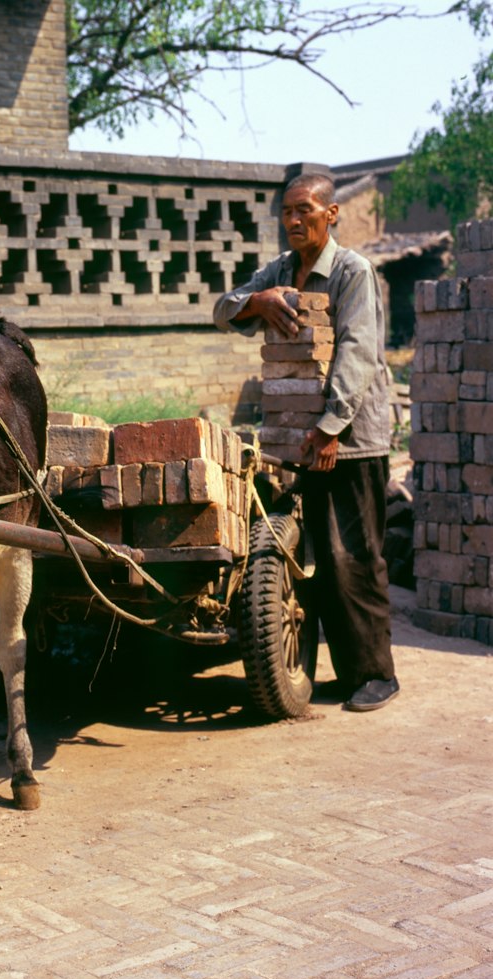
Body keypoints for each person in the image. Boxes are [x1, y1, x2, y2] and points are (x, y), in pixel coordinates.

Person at [213, 173, 399, 712]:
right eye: (287, 213)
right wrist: (259, 301)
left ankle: (376, 675)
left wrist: (330, 427)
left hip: (351, 439)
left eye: (305, 211)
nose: (294, 221)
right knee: (317, 558)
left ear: (332, 213)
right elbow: (223, 309)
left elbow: (359, 352)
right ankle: (345, 671)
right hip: (301, 441)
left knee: (355, 557)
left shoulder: (351, 272)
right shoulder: (280, 272)